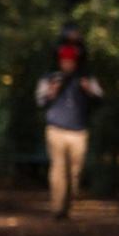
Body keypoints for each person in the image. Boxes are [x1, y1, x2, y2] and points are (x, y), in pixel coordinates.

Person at [35, 34, 102, 216]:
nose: (67, 64)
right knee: (58, 169)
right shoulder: (50, 78)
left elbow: (99, 100)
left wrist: (88, 90)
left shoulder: (86, 77)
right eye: (64, 61)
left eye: (70, 61)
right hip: (56, 129)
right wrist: (52, 92)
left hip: (79, 131)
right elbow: (39, 101)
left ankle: (67, 204)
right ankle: (57, 208)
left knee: (74, 172)